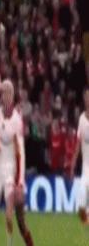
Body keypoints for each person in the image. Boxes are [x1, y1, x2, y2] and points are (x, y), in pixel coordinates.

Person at [0, 79, 33, 246]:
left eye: (5, 93)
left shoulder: (17, 120)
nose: (3, 96)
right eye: (1, 93)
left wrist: (20, 182)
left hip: (12, 171)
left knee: (15, 220)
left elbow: (20, 153)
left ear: (11, 95)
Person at [69, 87, 89, 226]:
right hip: (86, 168)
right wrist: (73, 164)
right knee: (81, 207)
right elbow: (78, 143)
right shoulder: (81, 118)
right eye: (86, 96)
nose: (88, 99)